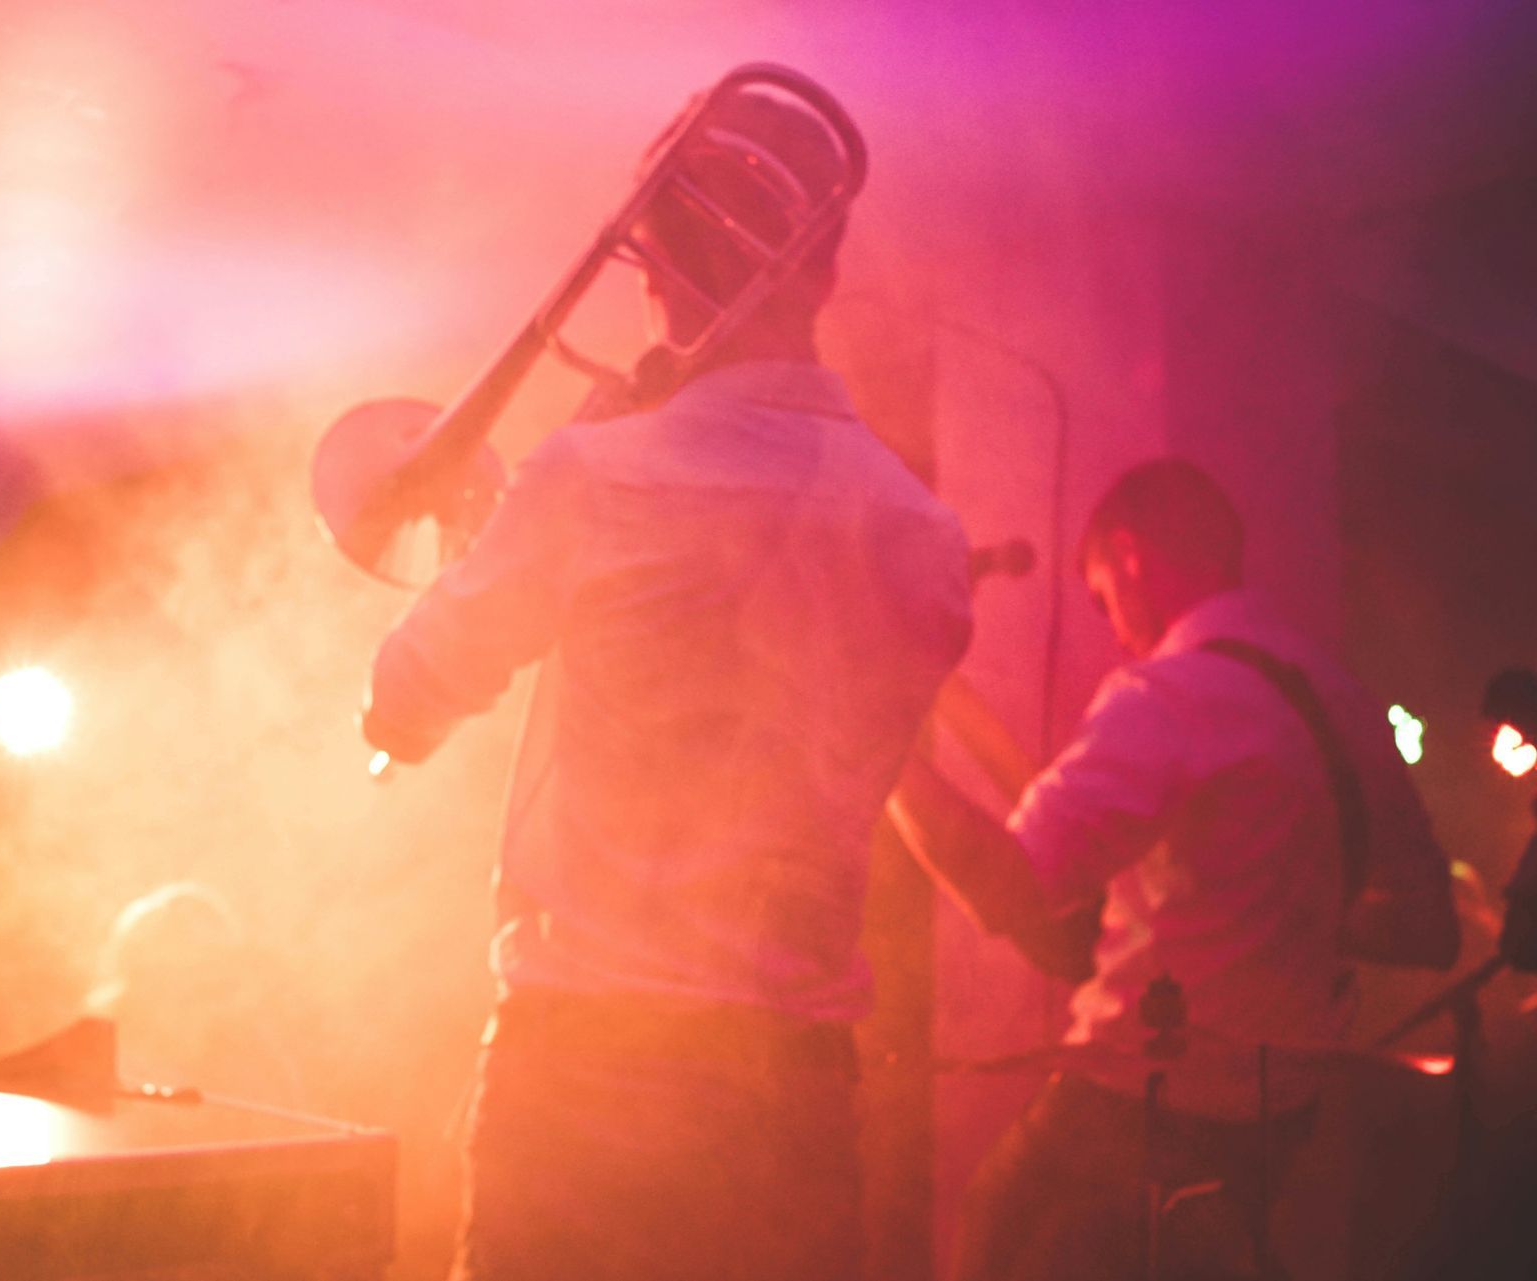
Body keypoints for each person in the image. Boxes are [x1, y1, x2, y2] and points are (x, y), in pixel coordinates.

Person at [359, 76, 973, 1281]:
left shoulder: (590, 478)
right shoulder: (927, 540)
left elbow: (404, 698)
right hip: (792, 1093)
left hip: (584, 1069)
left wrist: (544, 492)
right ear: (828, 274)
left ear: (650, 269)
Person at [889, 457, 1459, 1281]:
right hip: (1279, 1114)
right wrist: (1274, 908)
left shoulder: (1165, 696)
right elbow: (1429, 928)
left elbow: (1004, 887)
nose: (1114, 628)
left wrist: (874, 741)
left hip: (1132, 1103)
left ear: (1130, 556)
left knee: (993, 1232)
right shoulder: (1347, 701)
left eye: (1103, 597)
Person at [85, 880, 305, 1108]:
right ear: (141, 978)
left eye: (217, 976)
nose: (211, 999)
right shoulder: (93, 1058)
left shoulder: (255, 1059)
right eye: (190, 977)